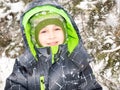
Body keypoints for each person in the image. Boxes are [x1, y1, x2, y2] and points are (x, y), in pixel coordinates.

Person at [5, 0, 102, 90]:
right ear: (34, 37)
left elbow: (91, 87)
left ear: (65, 31)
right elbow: (14, 85)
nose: (52, 36)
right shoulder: (26, 63)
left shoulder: (76, 60)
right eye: (43, 31)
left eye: (57, 29)